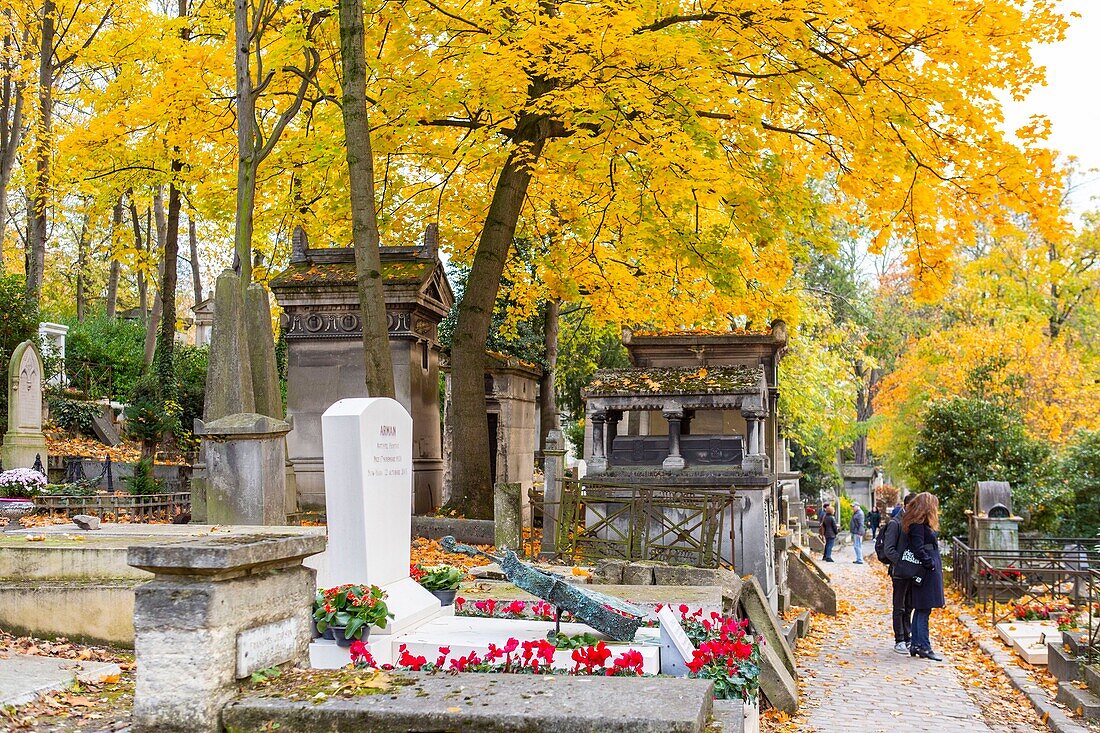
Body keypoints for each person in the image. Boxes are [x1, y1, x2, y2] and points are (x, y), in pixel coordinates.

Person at [904, 492, 945, 661]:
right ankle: (924, 646)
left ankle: (916, 644)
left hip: (928, 570)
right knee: (923, 608)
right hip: (926, 571)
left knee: (922, 608)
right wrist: (930, 563)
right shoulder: (918, 525)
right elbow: (918, 548)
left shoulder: (920, 524)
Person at [882, 492, 916, 654]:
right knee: (899, 605)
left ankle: (908, 636)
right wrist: (902, 563)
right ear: (906, 506)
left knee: (909, 605)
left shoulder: (914, 523)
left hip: (911, 571)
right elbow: (889, 549)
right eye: (913, 507)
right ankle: (899, 639)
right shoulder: (895, 523)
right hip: (899, 571)